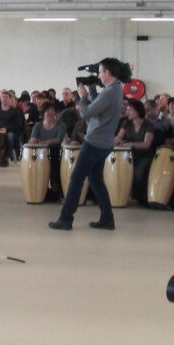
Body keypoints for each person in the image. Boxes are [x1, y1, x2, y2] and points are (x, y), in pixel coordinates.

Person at [49, 57, 132, 231]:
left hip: (95, 142)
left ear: (108, 73)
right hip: (105, 142)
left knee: (77, 179)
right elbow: (98, 108)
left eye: (100, 72)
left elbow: (86, 112)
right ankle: (107, 218)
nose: (99, 75)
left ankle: (66, 219)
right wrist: (92, 89)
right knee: (95, 180)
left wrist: (83, 96)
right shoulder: (115, 90)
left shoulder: (110, 92)